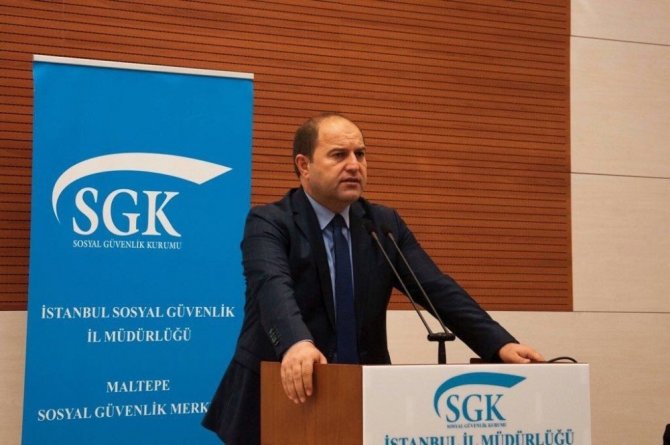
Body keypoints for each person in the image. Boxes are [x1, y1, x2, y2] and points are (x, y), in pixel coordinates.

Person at [202, 113, 544, 444]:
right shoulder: (270, 222)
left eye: (360, 154)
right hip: (279, 395)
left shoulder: (382, 224)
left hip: (366, 395)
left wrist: (499, 344)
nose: (354, 165)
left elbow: (437, 289)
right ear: (304, 165)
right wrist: (297, 343)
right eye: (339, 155)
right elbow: (272, 287)